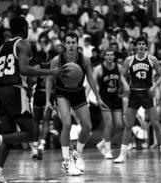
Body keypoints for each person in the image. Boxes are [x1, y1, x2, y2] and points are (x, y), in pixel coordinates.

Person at [0, 16, 67, 183]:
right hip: (13, 90)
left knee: (10, 134)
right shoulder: (23, 44)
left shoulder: (2, 46)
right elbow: (25, 69)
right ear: (25, 28)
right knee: (32, 133)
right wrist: (52, 72)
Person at [45, 32, 103, 176]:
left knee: (88, 126)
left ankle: (76, 154)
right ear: (64, 44)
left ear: (77, 44)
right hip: (62, 93)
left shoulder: (85, 60)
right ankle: (65, 162)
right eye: (68, 42)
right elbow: (50, 80)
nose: (71, 45)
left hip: (78, 93)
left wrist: (98, 97)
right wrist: (47, 101)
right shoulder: (57, 60)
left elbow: (90, 79)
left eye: (73, 42)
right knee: (67, 124)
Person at [114, 36, 161, 164]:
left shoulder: (152, 59)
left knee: (156, 123)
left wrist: (154, 86)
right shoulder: (129, 60)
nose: (140, 46)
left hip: (147, 94)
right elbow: (122, 75)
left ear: (146, 46)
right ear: (135, 46)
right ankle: (122, 155)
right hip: (134, 93)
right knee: (128, 125)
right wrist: (126, 85)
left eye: (142, 44)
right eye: (138, 44)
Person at [92, 48, 129, 159]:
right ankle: (107, 150)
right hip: (104, 99)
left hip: (116, 98)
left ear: (113, 56)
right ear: (104, 56)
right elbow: (92, 84)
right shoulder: (99, 69)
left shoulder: (119, 67)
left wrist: (125, 87)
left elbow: (123, 80)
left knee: (119, 125)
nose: (109, 56)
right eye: (107, 54)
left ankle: (103, 142)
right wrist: (97, 98)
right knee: (109, 124)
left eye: (111, 55)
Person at [29, 51, 53, 160]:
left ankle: (34, 146)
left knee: (35, 121)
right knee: (46, 121)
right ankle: (42, 144)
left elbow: (32, 82)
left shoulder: (37, 66)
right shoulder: (53, 66)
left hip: (38, 93)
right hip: (49, 95)